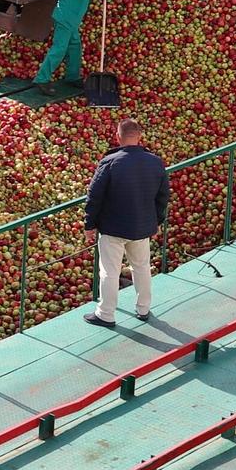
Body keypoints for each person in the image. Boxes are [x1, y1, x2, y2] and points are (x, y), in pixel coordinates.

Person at [83, 119, 170, 328]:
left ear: (117, 137)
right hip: (141, 227)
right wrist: (157, 221)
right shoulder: (155, 162)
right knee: (141, 267)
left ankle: (106, 314)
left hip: (113, 228)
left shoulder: (110, 162)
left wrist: (89, 224)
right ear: (139, 137)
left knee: (109, 272)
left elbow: (94, 196)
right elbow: (163, 196)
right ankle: (143, 309)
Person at [36, 0, 104, 87]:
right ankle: (41, 79)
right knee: (59, 49)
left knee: (75, 47)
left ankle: (72, 77)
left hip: (71, 22)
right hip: (66, 19)